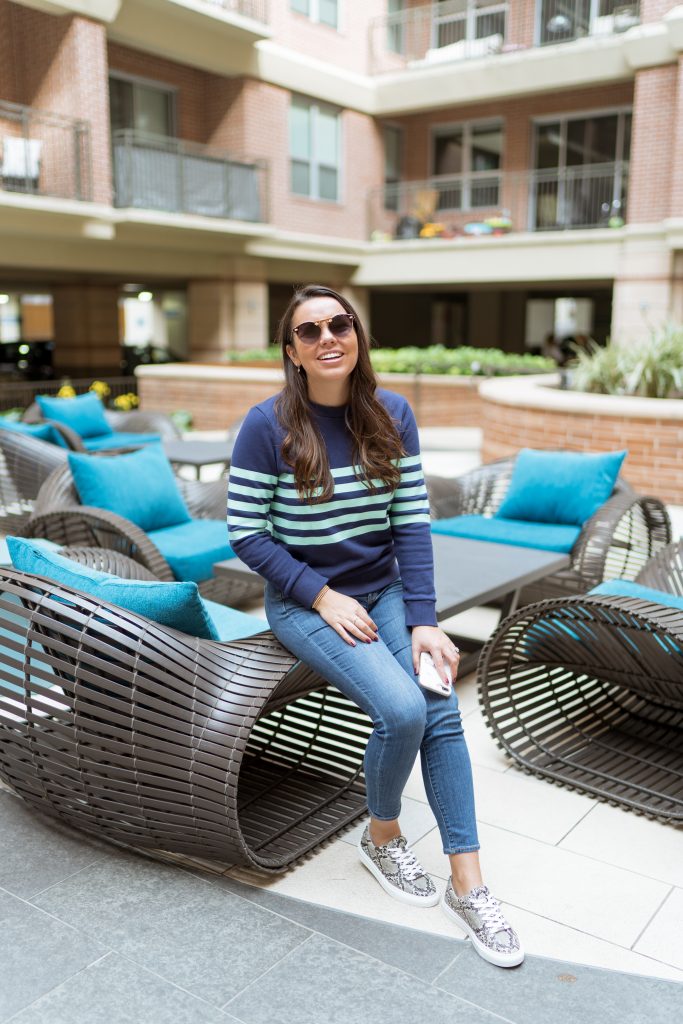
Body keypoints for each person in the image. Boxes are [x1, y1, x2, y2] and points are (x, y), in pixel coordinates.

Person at [227, 284, 523, 969]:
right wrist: (319, 593)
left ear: (356, 336)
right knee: (399, 709)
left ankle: (467, 883)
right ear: (292, 352)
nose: (327, 336)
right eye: (309, 330)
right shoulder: (265, 425)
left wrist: (423, 620)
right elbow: (245, 532)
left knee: (438, 704)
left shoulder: (391, 414)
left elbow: (410, 526)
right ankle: (383, 835)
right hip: (304, 601)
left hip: (384, 590)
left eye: (340, 323)